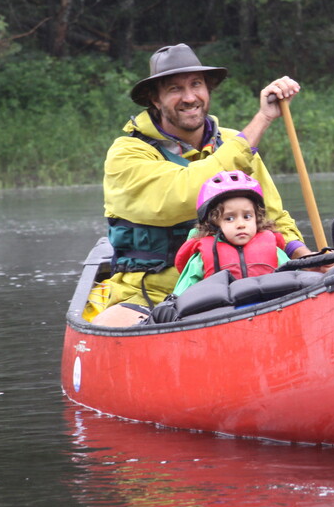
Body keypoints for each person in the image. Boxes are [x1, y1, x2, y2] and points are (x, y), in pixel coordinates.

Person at [102, 43, 312, 309]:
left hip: (243, 287)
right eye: (175, 89)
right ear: (155, 99)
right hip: (152, 297)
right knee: (117, 322)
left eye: (196, 84)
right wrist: (263, 119)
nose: (190, 97)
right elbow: (188, 193)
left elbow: (272, 217)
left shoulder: (236, 143)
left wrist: (306, 258)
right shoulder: (127, 153)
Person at [170, 171, 290, 296]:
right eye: (230, 218)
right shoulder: (201, 257)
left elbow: (293, 275)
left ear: (257, 217)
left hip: (270, 308)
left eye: (247, 216)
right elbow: (182, 293)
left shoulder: (273, 249)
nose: (241, 224)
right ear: (214, 222)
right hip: (221, 312)